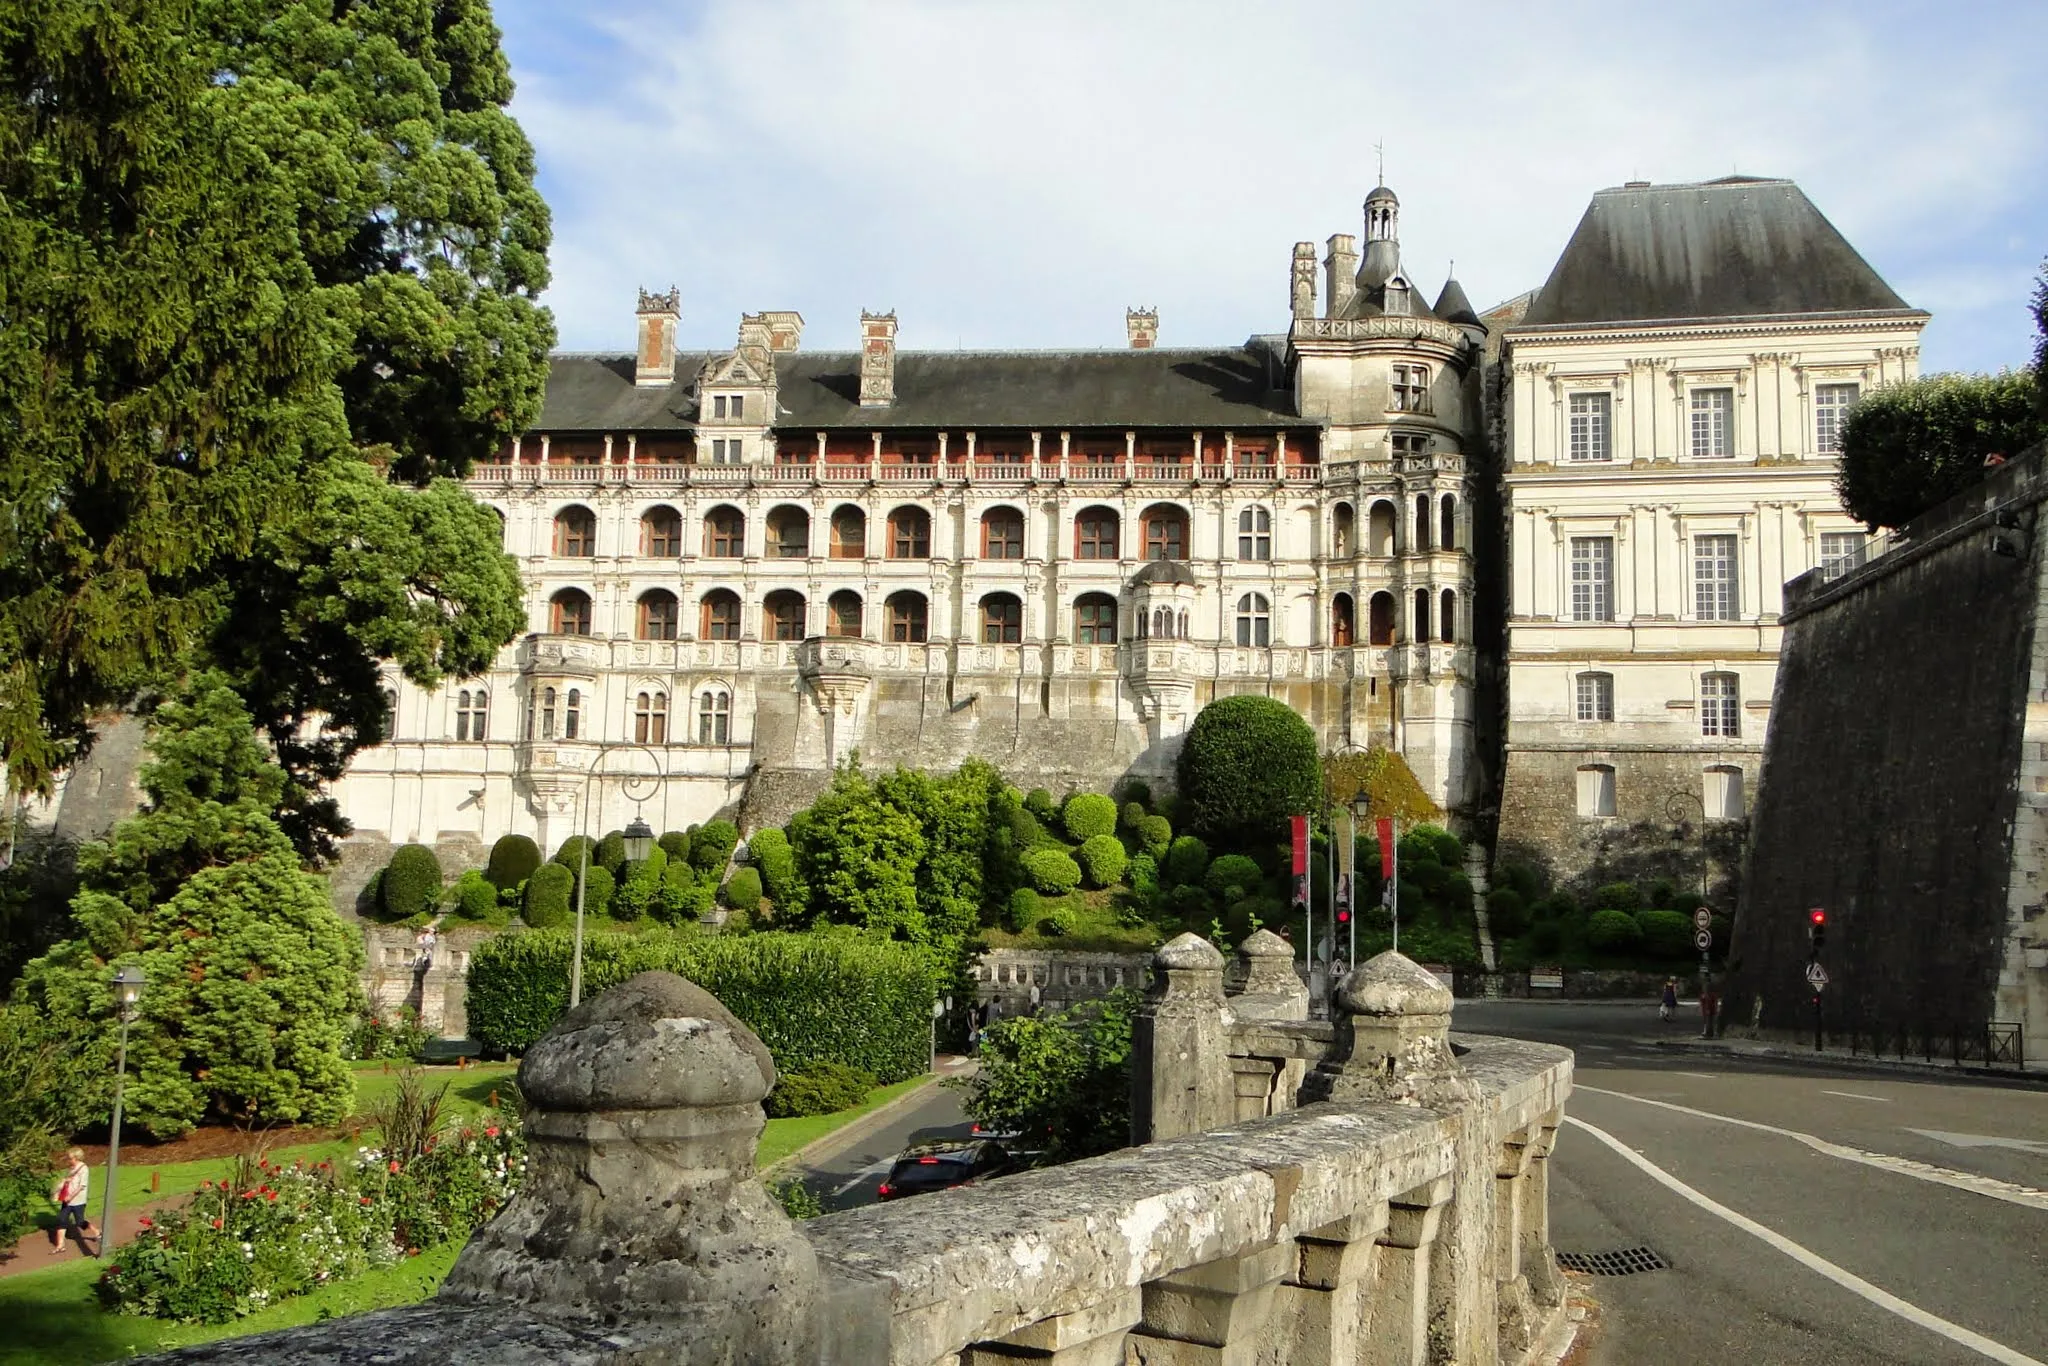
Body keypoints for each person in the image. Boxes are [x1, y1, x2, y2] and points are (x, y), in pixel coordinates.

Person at [50, 1149, 97, 1256]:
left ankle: (96, 1232)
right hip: (67, 1200)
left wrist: (71, 1196)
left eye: (70, 1158)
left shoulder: (84, 1169)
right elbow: (68, 1181)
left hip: (78, 1200)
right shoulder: (71, 1168)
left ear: (76, 1158)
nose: (68, 1160)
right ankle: (60, 1245)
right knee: (61, 1220)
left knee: (80, 1222)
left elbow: (82, 1186)